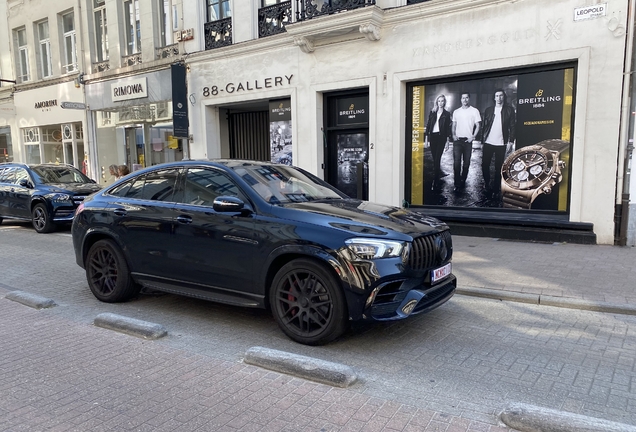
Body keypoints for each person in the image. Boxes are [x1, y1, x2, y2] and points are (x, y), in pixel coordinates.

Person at [481, 89, 516, 196]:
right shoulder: (488, 110)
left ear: (504, 97)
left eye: (501, 96)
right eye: (497, 96)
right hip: (488, 142)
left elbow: (512, 127)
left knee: (499, 167)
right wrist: (482, 141)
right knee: (484, 165)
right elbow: (484, 126)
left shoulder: (509, 110)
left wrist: (510, 141)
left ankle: (496, 187)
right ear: (494, 98)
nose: (499, 98)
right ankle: (487, 183)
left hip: (501, 143)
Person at [451, 93, 481, 191]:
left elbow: (478, 125)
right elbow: (454, 125)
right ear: (461, 99)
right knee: (456, 163)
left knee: (466, 163)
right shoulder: (456, 112)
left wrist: (473, 136)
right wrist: (453, 135)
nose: (465, 100)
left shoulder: (474, 111)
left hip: (468, 141)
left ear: (469, 99)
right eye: (463, 98)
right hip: (458, 140)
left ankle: (463, 180)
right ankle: (457, 183)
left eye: (467, 98)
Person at [425, 94, 452, 189]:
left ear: (444, 102)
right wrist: (426, 139)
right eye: (439, 101)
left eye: (442, 101)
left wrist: (448, 141)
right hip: (433, 137)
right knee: (435, 160)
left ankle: (435, 180)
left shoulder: (447, 114)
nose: (441, 103)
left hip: (441, 138)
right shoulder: (432, 112)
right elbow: (428, 126)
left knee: (437, 159)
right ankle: (437, 175)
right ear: (437, 102)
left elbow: (448, 129)